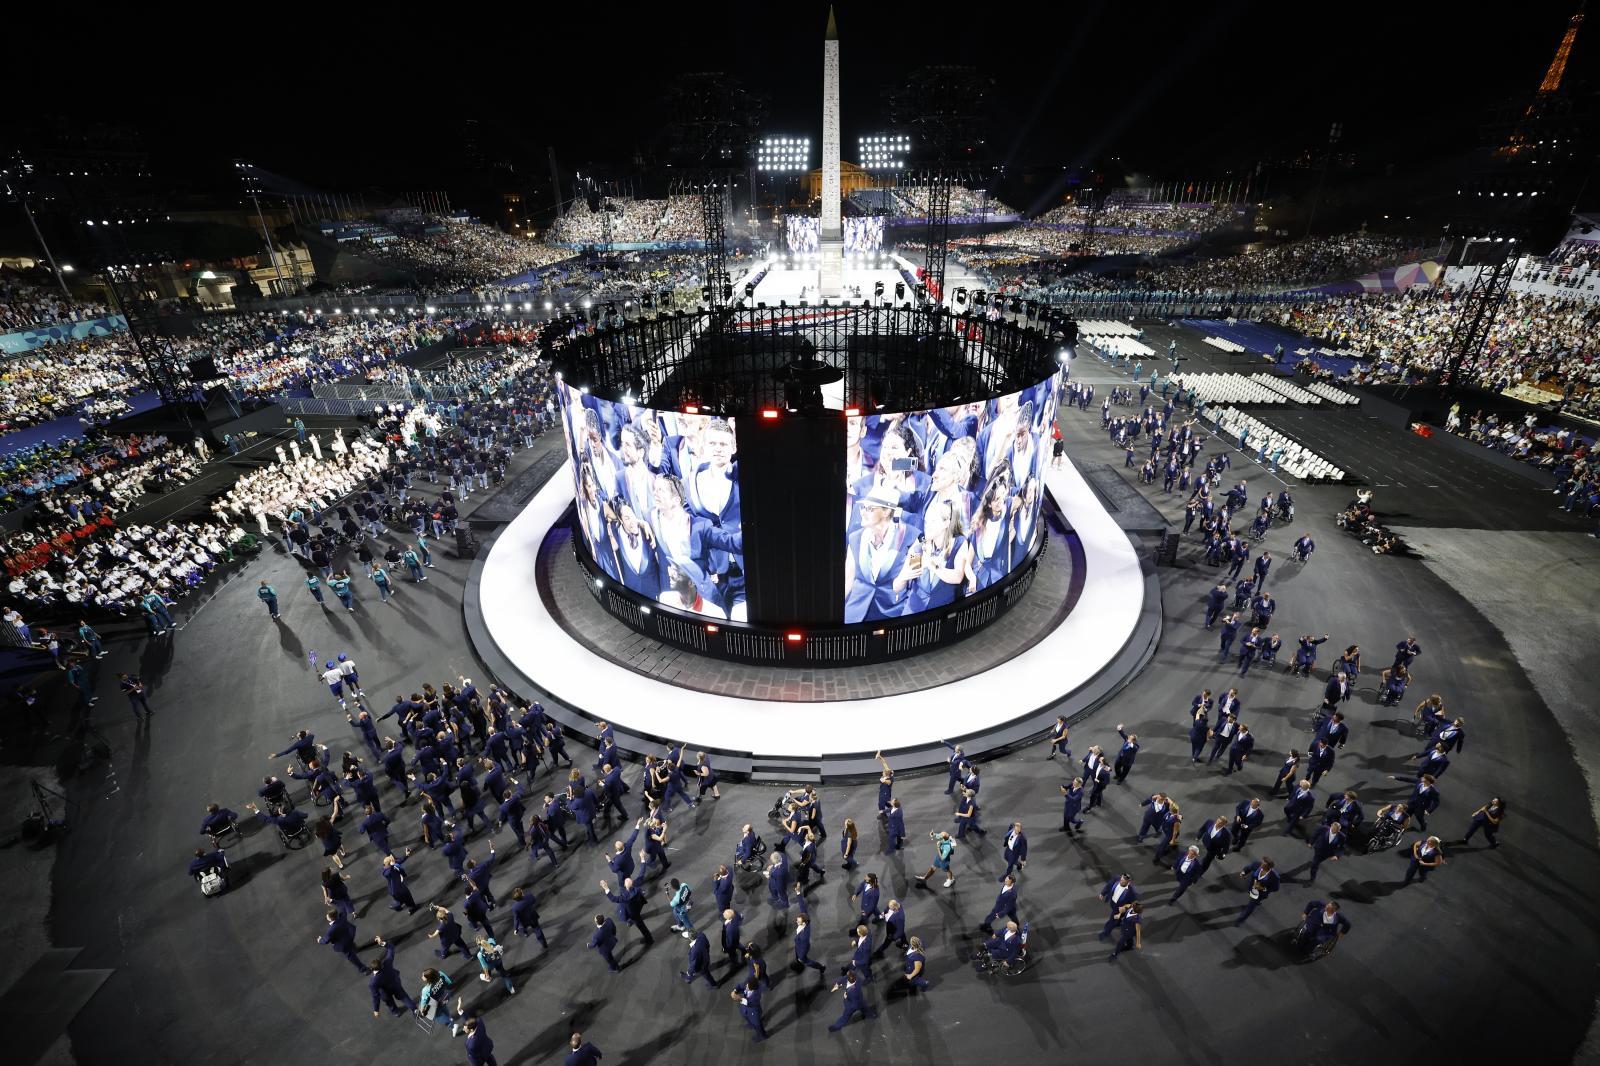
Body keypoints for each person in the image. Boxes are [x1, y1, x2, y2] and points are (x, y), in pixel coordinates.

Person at [1234, 857, 1280, 925]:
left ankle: (1240, 920)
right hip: (1251, 887)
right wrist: (1243, 873)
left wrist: (1262, 888)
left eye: (1263, 865)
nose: (1261, 865)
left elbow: (1276, 888)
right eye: (1262, 863)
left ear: (1269, 867)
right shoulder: (1257, 864)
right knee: (1251, 896)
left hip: (1260, 893)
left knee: (1250, 907)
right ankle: (1257, 902)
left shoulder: (1275, 877)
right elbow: (1248, 868)